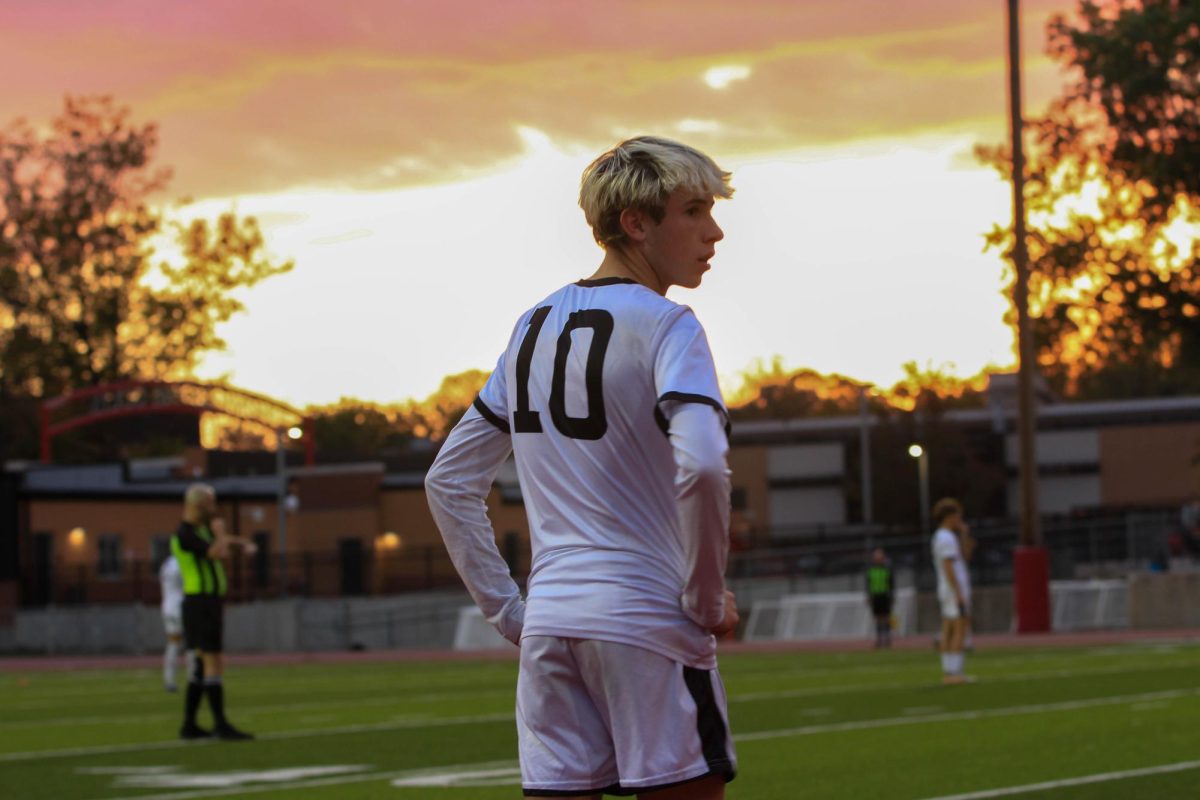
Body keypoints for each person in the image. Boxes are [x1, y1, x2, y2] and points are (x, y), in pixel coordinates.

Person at [426, 135, 738, 799]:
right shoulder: (667, 325)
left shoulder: (531, 326)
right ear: (636, 222)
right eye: (694, 211)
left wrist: (512, 613)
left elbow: (448, 481)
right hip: (648, 618)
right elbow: (706, 466)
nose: (714, 232)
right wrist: (707, 598)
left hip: (550, 623)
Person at [171, 483, 257, 740]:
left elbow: (222, 546)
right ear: (197, 505)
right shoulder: (184, 533)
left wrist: (241, 543)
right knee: (212, 660)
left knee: (201, 664)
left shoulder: (199, 531)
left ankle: (189, 725)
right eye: (210, 503)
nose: (214, 509)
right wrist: (221, 535)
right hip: (199, 602)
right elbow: (214, 552)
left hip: (208, 602)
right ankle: (220, 724)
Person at [931, 498, 971, 685]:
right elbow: (948, 566)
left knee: (949, 627)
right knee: (958, 627)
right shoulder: (945, 538)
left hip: (948, 589)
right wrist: (958, 592)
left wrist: (964, 535)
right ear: (949, 516)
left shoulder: (945, 537)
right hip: (952, 590)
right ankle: (953, 672)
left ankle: (950, 670)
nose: (959, 520)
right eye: (957, 516)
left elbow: (964, 556)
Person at [159, 553, 185, 692]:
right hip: (180, 608)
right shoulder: (182, 563)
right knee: (193, 644)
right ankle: (195, 678)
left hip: (167, 607)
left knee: (173, 644)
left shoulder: (166, 563)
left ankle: (169, 680)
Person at [865, 548, 894, 649]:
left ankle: (887, 638)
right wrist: (868, 596)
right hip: (875, 596)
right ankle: (879, 639)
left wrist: (892, 596)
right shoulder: (871, 570)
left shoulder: (887, 569)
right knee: (877, 618)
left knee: (886, 617)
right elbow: (868, 584)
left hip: (884, 595)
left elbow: (891, 584)